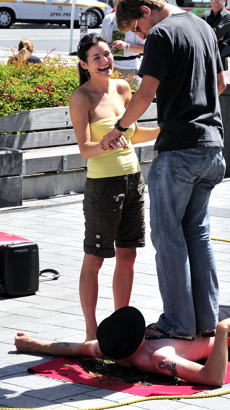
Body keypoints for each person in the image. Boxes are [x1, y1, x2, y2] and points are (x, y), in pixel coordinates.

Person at [99, 0, 227, 341]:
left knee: (168, 236)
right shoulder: (201, 25)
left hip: (179, 149)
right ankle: (205, 322)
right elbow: (220, 83)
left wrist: (120, 128)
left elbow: (145, 92)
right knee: (198, 234)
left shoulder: (161, 33)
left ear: (145, 11)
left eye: (137, 28)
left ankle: (178, 323)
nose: (140, 35)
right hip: (213, 147)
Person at [15, 267, 230, 387]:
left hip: (202, 318)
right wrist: (224, 331)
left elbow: (72, 349)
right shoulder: (158, 356)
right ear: (139, 338)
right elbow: (212, 378)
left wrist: (33, 345)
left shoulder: (109, 348)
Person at [69, 34, 160, 340]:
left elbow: (132, 135)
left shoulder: (123, 88)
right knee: (94, 259)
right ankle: (91, 332)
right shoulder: (81, 98)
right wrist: (106, 143)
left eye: (107, 54)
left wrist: (165, 130)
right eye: (96, 57)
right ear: (84, 64)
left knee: (128, 256)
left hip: (133, 180)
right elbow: (85, 149)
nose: (105, 61)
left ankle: (121, 326)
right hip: (103, 187)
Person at [100, 0, 145, 89]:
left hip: (129, 67)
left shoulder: (135, 21)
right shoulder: (108, 19)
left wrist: (127, 46)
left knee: (130, 101)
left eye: (122, 3)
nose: (120, 6)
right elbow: (101, 42)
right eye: (117, 3)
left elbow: (144, 48)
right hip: (110, 66)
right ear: (114, 4)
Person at [201, 0, 230, 71]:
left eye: (220, 0)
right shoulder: (205, 15)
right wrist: (215, 39)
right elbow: (198, 33)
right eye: (214, 0)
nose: (217, 3)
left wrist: (213, 36)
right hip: (204, 54)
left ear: (225, 1)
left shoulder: (228, 16)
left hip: (219, 56)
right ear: (210, 1)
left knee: (220, 82)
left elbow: (217, 33)